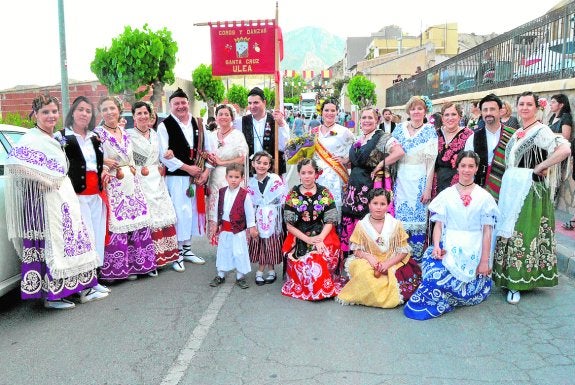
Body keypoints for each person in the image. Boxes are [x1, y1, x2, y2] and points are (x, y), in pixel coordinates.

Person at [5, 95, 102, 309]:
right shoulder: (32, 138)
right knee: (51, 246)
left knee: (70, 241)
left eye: (53, 112)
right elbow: (15, 163)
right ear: (35, 115)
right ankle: (52, 296)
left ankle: (75, 289)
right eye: (45, 112)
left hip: (62, 198)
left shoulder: (53, 138)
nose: (50, 116)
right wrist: (43, 179)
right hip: (44, 202)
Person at [494, 91, 571, 304]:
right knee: (508, 230)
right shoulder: (520, 130)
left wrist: (543, 165)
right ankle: (505, 277)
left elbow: (564, 148)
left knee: (522, 232)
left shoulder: (541, 130)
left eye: (529, 104)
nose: (525, 108)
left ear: (537, 108)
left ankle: (517, 283)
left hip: (528, 189)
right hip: (512, 186)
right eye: (522, 104)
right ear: (516, 107)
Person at [404, 151, 499, 320]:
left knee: (451, 283)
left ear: (477, 168)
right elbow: (438, 225)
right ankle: (441, 297)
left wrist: (484, 261)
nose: (467, 170)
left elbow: (487, 231)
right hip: (450, 243)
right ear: (457, 168)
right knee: (433, 277)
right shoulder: (447, 194)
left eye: (471, 166)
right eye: (463, 166)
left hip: (473, 246)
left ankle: (455, 295)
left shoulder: (484, 197)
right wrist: (437, 246)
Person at [95, 96, 157, 280]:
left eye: (112, 108)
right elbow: (92, 158)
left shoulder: (124, 131)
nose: (109, 112)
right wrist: (104, 162)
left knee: (138, 220)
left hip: (131, 181)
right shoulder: (97, 134)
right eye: (104, 109)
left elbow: (135, 156)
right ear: (101, 112)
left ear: (119, 110)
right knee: (118, 224)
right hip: (113, 182)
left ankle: (140, 265)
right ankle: (116, 270)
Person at [56, 96, 110, 296]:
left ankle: (93, 279)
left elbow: (95, 164)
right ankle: (84, 285)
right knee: (82, 239)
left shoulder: (95, 137)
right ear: (72, 112)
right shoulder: (61, 137)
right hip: (75, 196)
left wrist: (103, 171)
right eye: (80, 109)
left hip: (95, 194)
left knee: (95, 237)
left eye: (88, 111)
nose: (84, 114)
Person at [336, 189, 421, 308]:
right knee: (363, 272)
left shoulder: (396, 225)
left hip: (392, 259)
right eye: (375, 203)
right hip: (369, 261)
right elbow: (356, 249)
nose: (378, 207)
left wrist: (387, 264)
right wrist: (369, 257)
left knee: (389, 277)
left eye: (382, 204)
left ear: (388, 205)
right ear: (369, 204)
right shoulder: (362, 225)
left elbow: (403, 251)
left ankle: (376, 293)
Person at [157, 88, 210, 271]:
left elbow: (208, 150)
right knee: (179, 214)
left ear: (188, 103)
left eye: (183, 102)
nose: (180, 106)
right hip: (176, 178)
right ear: (170, 106)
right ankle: (177, 253)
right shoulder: (165, 126)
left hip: (194, 180)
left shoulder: (198, 123)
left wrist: (205, 172)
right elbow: (164, 155)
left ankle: (187, 249)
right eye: (176, 103)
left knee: (191, 213)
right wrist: (188, 168)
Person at [341, 107, 404, 254]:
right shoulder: (359, 138)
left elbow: (399, 152)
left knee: (368, 219)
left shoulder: (383, 138)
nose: (366, 120)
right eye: (364, 118)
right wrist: (343, 160)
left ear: (377, 121)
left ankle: (371, 255)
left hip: (370, 186)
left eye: (370, 118)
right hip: (354, 186)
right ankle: (356, 254)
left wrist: (382, 164)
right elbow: (356, 160)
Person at [128, 101, 179, 276]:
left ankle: (167, 257)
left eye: (145, 113)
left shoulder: (156, 135)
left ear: (151, 116)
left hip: (157, 180)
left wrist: (168, 154)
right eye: (139, 113)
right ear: (133, 116)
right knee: (147, 219)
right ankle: (149, 261)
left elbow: (163, 155)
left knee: (163, 215)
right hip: (140, 180)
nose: (143, 116)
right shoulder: (128, 136)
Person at [281, 158, 342, 301]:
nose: (307, 176)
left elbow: (330, 220)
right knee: (305, 266)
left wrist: (319, 238)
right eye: (303, 173)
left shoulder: (324, 192)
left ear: (316, 174)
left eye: (310, 172)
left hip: (322, 232)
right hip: (299, 235)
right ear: (299, 174)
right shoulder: (293, 194)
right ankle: (312, 285)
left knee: (322, 256)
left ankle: (321, 286)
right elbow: (289, 225)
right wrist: (308, 239)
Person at [392, 95, 438, 261]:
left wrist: (427, 189)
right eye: (413, 108)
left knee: (418, 221)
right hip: (401, 177)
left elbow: (431, 163)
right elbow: (391, 151)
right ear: (408, 111)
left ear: (425, 111)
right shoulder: (399, 128)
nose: (416, 111)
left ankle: (416, 257)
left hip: (419, 177)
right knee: (400, 218)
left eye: (420, 108)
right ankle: (400, 256)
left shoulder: (429, 131)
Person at [208, 163, 257, 289]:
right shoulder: (221, 192)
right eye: (231, 177)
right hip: (225, 228)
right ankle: (221, 274)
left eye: (236, 177)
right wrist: (215, 224)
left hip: (238, 230)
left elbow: (249, 212)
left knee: (239, 252)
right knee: (223, 251)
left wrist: (252, 227)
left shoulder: (244, 194)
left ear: (242, 178)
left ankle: (240, 276)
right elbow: (217, 208)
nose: (233, 180)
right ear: (226, 177)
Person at [206, 104, 249, 240]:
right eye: (220, 114)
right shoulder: (211, 135)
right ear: (216, 117)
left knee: (230, 208)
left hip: (232, 178)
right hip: (214, 178)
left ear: (232, 117)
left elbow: (242, 158)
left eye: (226, 114)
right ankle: (219, 240)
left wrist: (221, 162)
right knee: (216, 208)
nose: (223, 117)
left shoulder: (237, 135)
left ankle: (235, 241)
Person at [464, 94, 518, 202]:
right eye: (485, 110)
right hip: (481, 186)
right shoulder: (473, 138)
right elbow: (468, 165)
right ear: (481, 113)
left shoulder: (513, 136)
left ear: (500, 111)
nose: (488, 113)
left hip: (507, 187)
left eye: (492, 109)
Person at [247, 151, 286, 285]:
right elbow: (250, 202)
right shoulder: (251, 182)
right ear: (253, 164)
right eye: (258, 163)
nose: (261, 166)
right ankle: (263, 270)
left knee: (271, 243)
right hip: (258, 216)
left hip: (273, 217)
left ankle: (269, 271)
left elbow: (281, 197)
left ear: (270, 165)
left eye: (265, 163)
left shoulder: (275, 179)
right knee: (262, 242)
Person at [312, 99, 355, 215]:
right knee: (319, 206)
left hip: (337, 175)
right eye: (326, 110)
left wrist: (346, 159)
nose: (329, 113)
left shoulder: (344, 131)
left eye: (333, 110)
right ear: (321, 112)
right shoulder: (314, 132)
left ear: (337, 112)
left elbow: (356, 148)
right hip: (318, 176)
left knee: (336, 206)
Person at [237, 87, 289, 175]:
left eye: (256, 103)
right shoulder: (241, 122)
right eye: (250, 103)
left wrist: (281, 124)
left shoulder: (276, 121)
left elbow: (284, 146)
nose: (252, 106)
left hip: (272, 173)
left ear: (264, 102)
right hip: (250, 174)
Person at [433, 102, 474, 197]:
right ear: (442, 118)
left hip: (458, 185)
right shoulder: (435, 134)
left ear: (460, 117)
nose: (450, 118)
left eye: (454, 114)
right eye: (446, 115)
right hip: (436, 184)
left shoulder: (469, 135)